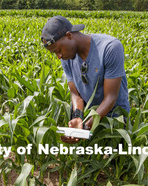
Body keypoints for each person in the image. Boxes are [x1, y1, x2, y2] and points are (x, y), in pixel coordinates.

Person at [41, 15, 130, 144]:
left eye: (58, 50)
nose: (58, 56)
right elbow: (75, 93)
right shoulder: (67, 56)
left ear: (69, 35)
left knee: (117, 161)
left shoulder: (109, 48)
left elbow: (111, 98)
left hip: (114, 121)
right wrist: (78, 117)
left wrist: (86, 127)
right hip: (89, 117)